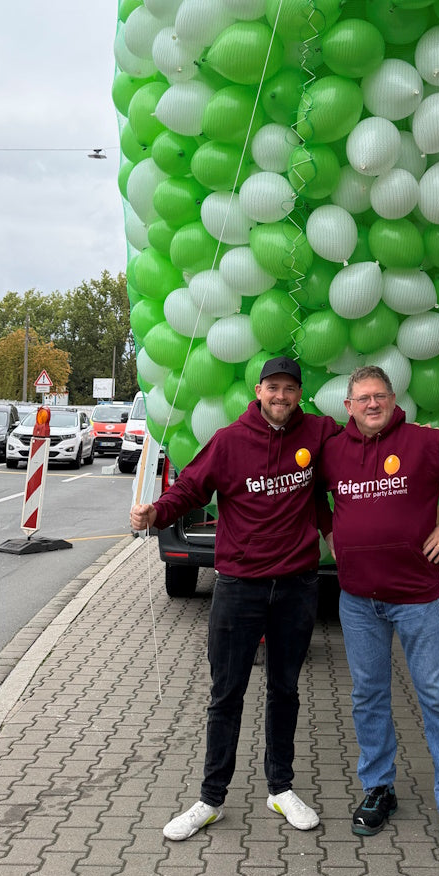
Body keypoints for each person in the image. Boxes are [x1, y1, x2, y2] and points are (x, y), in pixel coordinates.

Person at [130, 356, 337, 842]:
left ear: (299, 393)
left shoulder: (319, 433)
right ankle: (210, 798)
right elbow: (188, 489)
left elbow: (365, 448)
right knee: (226, 695)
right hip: (238, 587)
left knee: (285, 690)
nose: (281, 396)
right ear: (258, 390)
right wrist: (155, 513)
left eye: (290, 388)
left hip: (297, 585)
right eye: (273, 387)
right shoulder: (228, 441)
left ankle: (280, 787)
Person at [320, 365, 439, 866]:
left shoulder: (424, 443)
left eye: (379, 395)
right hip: (356, 601)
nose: (371, 404)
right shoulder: (333, 451)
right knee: (368, 697)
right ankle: (379, 789)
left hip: (416, 598)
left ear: (393, 399)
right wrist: (331, 534)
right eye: (362, 397)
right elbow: (313, 496)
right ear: (348, 406)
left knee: (438, 698)